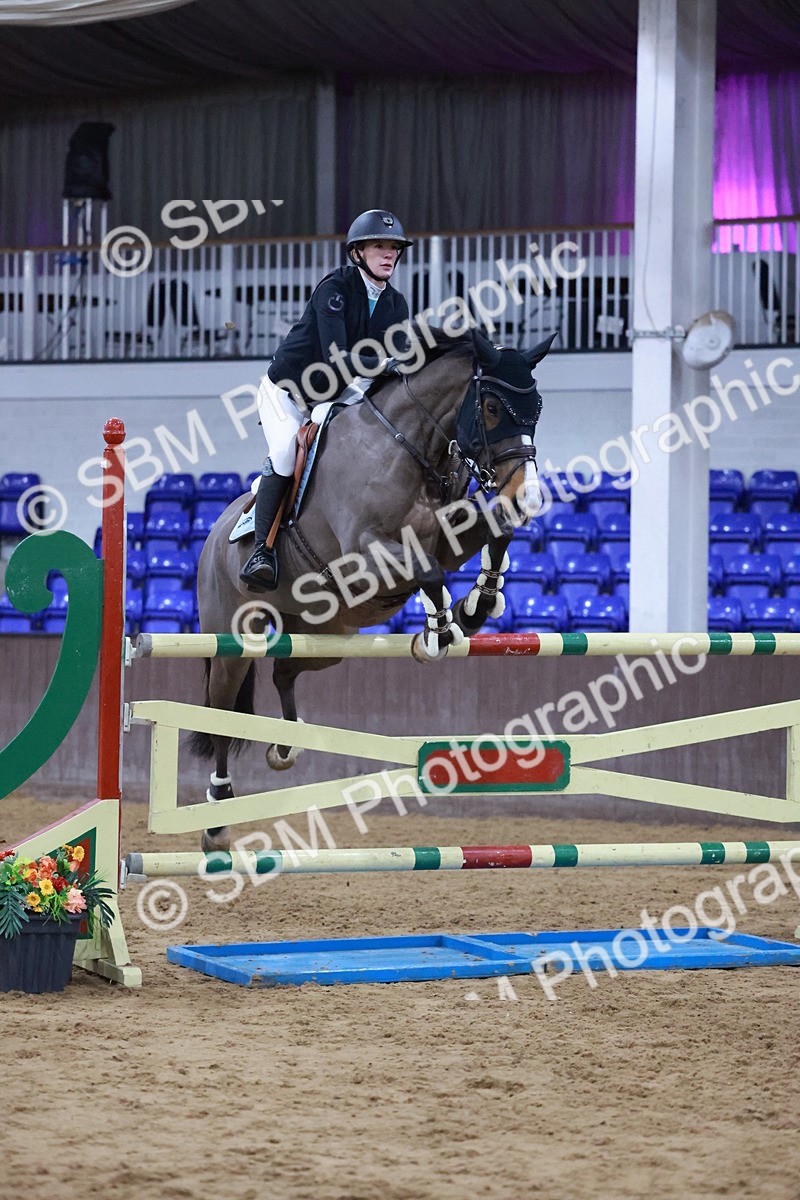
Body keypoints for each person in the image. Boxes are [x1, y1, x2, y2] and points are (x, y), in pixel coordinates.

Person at [240, 209, 413, 591]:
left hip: (335, 393)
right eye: (378, 246)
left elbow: (396, 370)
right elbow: (339, 355)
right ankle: (261, 552)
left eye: (393, 248)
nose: (388, 254)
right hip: (287, 391)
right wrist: (387, 362)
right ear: (357, 253)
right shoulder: (333, 290)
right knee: (286, 450)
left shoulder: (396, 305)